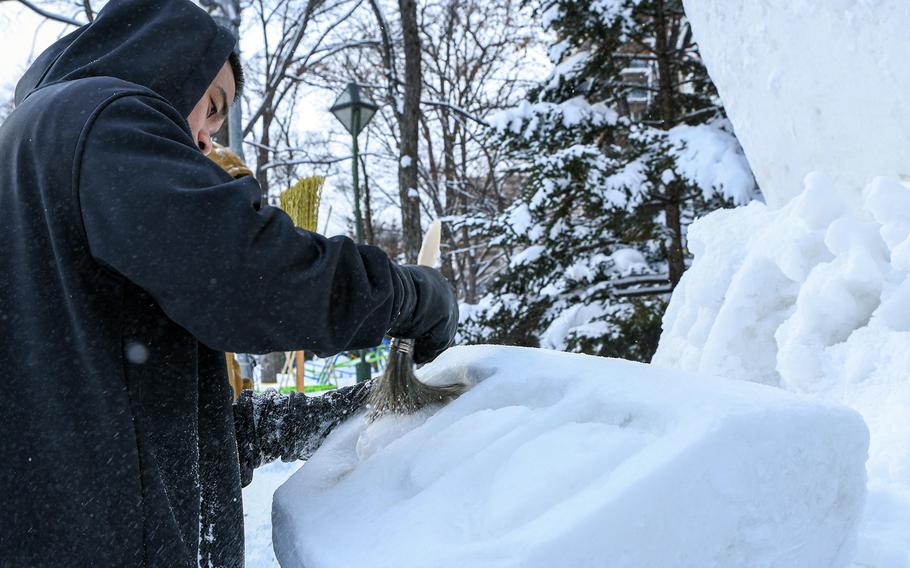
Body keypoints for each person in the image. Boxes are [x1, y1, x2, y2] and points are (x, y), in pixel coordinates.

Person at [0, 1, 458, 567]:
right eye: (209, 106)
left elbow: (152, 426)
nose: (204, 139)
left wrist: (347, 410)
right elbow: (256, 277)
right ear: (164, 58)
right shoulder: (102, 116)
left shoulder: (44, 147)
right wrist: (409, 295)